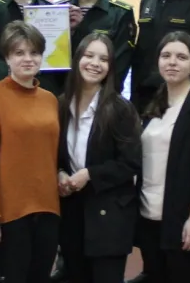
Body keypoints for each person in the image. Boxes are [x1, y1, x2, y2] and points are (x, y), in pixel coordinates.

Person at [0, 21, 60, 283]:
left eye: (34, 52)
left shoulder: (50, 99)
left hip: (48, 210)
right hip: (9, 214)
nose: (28, 59)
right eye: (19, 53)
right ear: (7, 58)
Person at [136, 31, 190, 283]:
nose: (172, 62)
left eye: (181, 57)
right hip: (149, 215)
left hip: (183, 220)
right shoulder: (153, 101)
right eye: (166, 56)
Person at [57, 33, 141, 283]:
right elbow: (55, 155)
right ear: (77, 59)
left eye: (103, 59)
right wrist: (59, 173)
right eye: (89, 56)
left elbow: (131, 162)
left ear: (110, 67)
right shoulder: (60, 105)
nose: (95, 63)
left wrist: (90, 174)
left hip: (109, 217)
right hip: (72, 213)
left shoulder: (120, 108)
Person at [56, 0, 136, 93]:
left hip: (103, 98)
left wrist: (82, 29)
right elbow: (51, 62)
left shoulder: (120, 13)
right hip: (63, 95)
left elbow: (119, 68)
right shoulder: (58, 11)